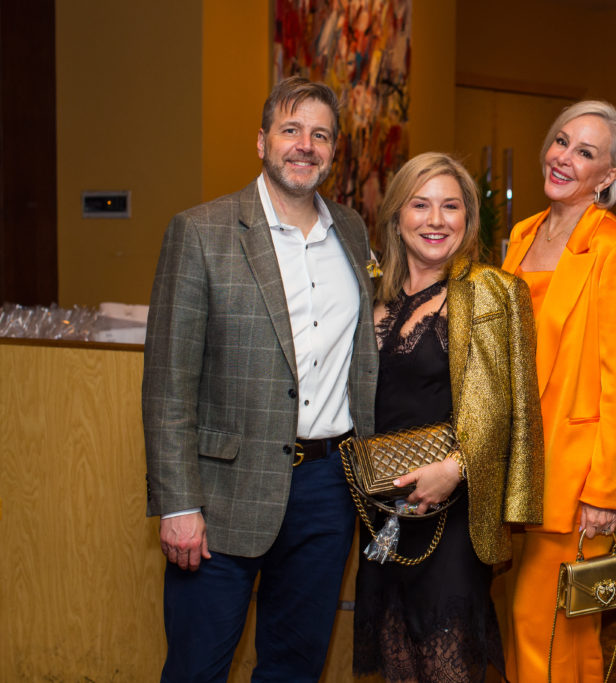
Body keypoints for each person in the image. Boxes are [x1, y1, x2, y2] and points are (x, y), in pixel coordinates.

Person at [142, 76, 377, 681]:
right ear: (261, 140)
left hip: (328, 488)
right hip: (222, 494)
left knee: (295, 667)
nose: (305, 145)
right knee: (198, 667)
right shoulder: (202, 232)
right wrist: (178, 504)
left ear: (333, 151)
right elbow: (169, 383)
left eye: (320, 135)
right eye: (291, 130)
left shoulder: (351, 230)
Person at [352, 152, 544, 682]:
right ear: (396, 216)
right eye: (420, 205)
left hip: (454, 511)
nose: (435, 220)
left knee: (450, 663)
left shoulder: (492, 291)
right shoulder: (372, 295)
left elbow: (511, 407)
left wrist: (454, 470)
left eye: (450, 207)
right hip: (381, 513)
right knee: (397, 663)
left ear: (468, 219)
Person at [501, 100, 616, 682]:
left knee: (555, 630)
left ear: (609, 176)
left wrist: (605, 492)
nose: (563, 157)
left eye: (585, 152)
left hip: (575, 482)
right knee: (524, 626)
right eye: (561, 141)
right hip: (515, 471)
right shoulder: (522, 232)